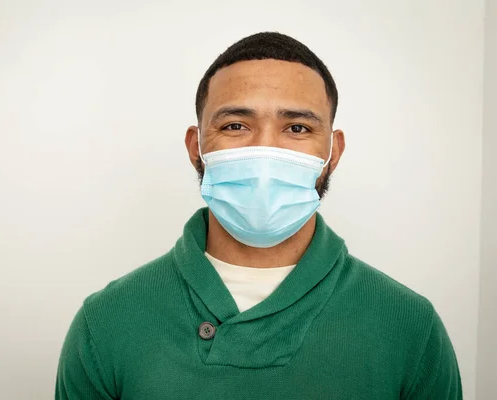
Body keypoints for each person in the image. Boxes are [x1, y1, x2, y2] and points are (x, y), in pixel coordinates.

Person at [55, 32, 462, 399]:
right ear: (196, 146)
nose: (265, 152)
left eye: (298, 129)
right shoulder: (107, 322)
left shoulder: (409, 326)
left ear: (332, 153)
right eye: (235, 125)